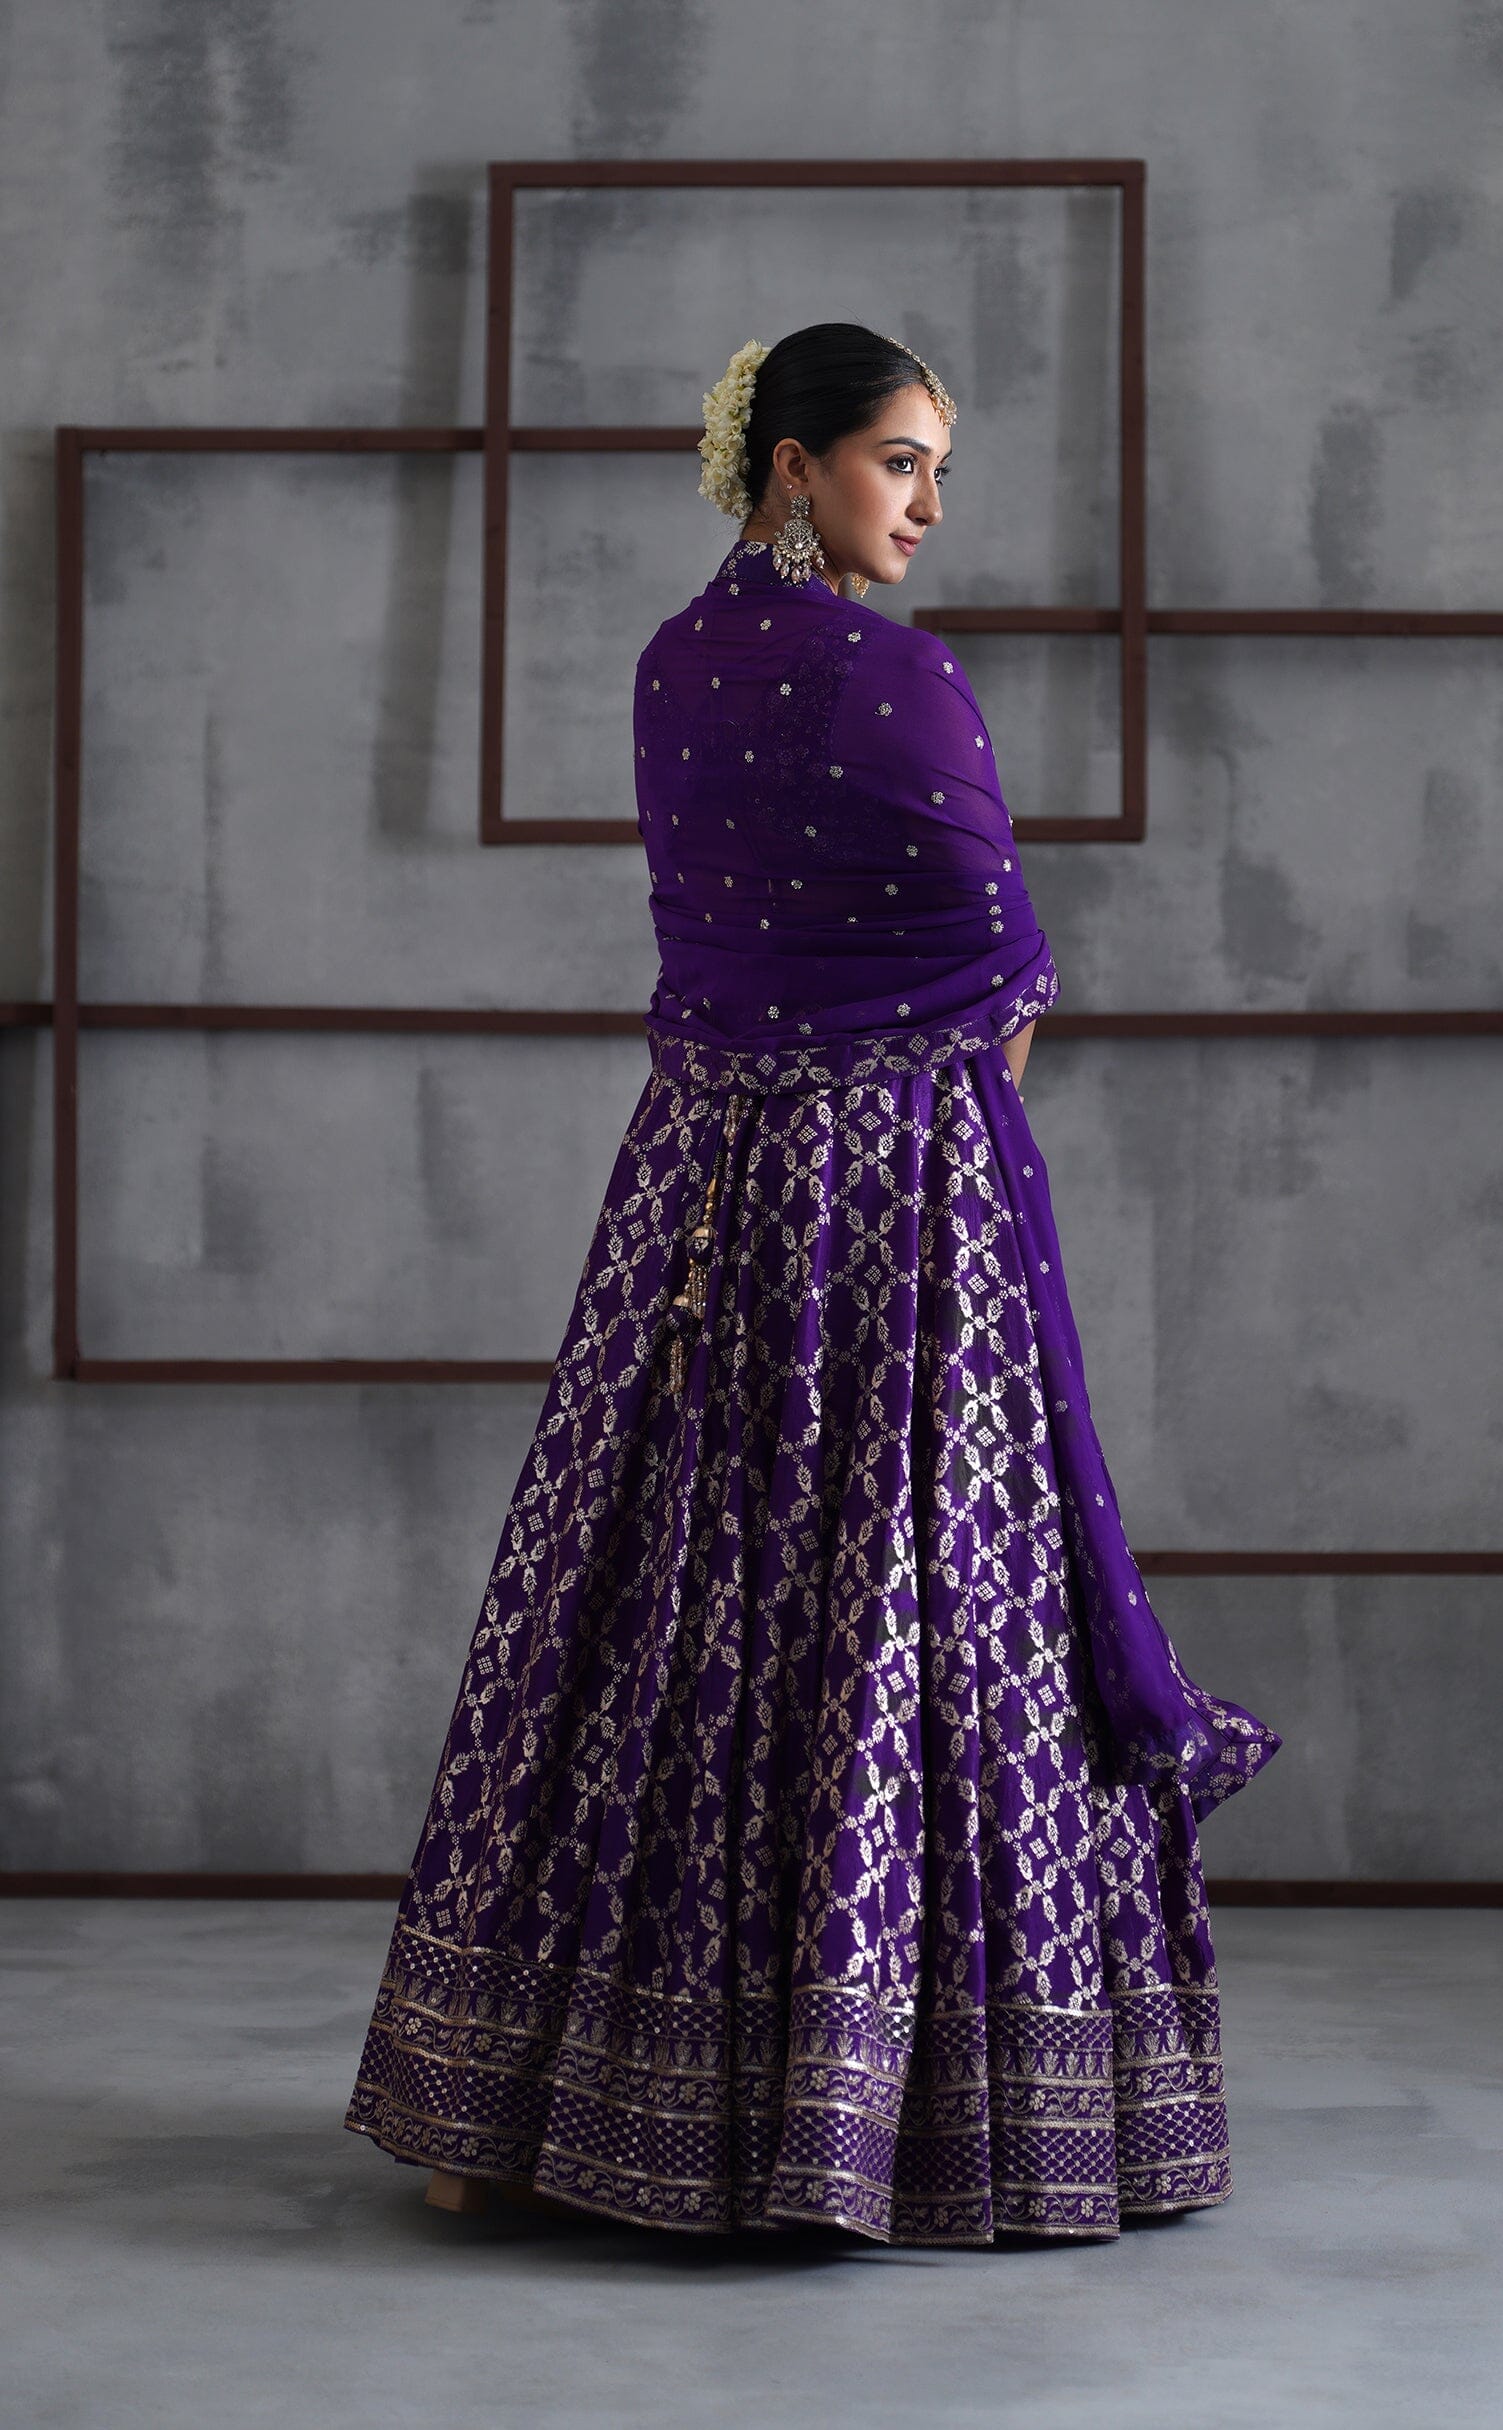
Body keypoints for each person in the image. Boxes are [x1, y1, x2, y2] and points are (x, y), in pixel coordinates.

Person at [343, 323, 1281, 2247]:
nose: (926, 506)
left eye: (937, 470)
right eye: (897, 461)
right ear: (791, 465)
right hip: (895, 1198)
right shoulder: (899, 677)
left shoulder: (667, 665)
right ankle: (902, 2127)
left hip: (694, 1193)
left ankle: (514, 2114)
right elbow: (1004, 973)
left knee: (656, 1591)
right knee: (910, 1591)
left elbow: (724, 938)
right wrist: (907, 1089)